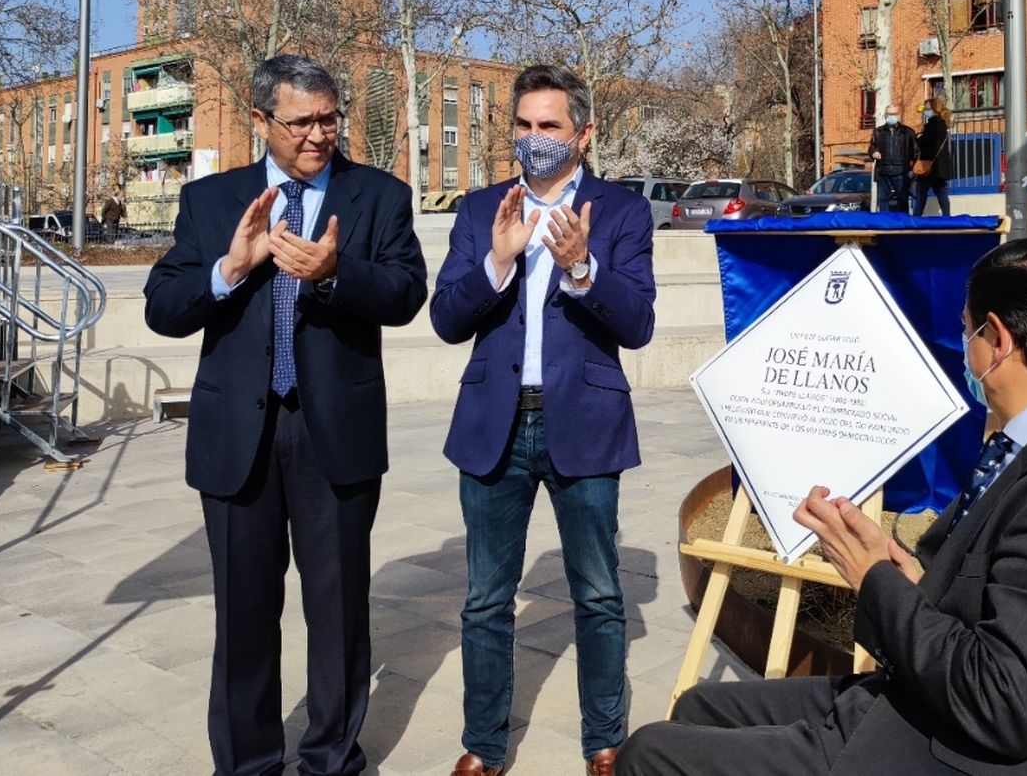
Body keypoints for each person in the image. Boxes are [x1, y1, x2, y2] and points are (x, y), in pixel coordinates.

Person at [616, 238, 1027, 776]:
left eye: (967, 331)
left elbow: (1007, 706)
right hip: (932, 702)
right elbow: (1004, 604)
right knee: (699, 706)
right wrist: (905, 576)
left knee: (650, 755)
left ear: (998, 339)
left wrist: (873, 579)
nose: (967, 349)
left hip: (968, 750)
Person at [144, 54, 427, 776]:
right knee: (243, 617)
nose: (318, 135)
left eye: (329, 119)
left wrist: (335, 273)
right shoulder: (211, 202)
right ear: (260, 120)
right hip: (239, 436)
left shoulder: (378, 197)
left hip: (335, 432)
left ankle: (331, 756)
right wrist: (230, 268)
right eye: (301, 122)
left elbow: (405, 292)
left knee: (337, 615)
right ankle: (247, 764)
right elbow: (163, 306)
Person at [431, 63, 658, 776]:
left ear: (583, 134)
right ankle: (485, 744)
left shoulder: (620, 212)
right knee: (485, 600)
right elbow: (444, 317)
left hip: (585, 422)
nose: (534, 140)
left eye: (550, 126)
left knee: (597, 593)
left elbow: (640, 323)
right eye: (524, 126)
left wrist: (584, 268)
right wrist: (497, 262)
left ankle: (605, 740)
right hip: (494, 424)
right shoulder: (479, 211)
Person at [867, 104, 918, 214]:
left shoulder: (907, 132)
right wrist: (873, 152)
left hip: (900, 172)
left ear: (898, 115)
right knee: (882, 199)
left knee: (902, 199)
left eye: (894, 114)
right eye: (890, 114)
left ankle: (903, 223)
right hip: (883, 172)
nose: (892, 116)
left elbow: (915, 151)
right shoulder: (878, 132)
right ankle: (885, 223)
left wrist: (912, 169)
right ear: (885, 115)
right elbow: (872, 147)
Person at [910, 96, 953, 217]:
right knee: (941, 191)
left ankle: (917, 217)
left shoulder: (932, 124)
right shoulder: (943, 124)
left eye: (927, 108)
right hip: (940, 166)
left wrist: (918, 138)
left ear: (934, 109)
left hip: (929, 165)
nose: (925, 110)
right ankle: (947, 216)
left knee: (921, 191)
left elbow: (924, 142)